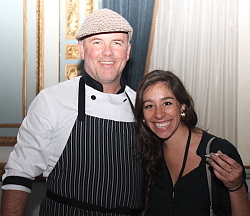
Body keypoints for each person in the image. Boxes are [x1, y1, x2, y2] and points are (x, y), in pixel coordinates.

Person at [1, 9, 143, 216]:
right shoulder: (52, 100)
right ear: (82, 50)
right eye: (97, 42)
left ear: (128, 52)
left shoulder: (142, 105)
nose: (107, 52)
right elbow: (19, 174)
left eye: (117, 43)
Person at [134, 70, 250, 215]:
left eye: (167, 103)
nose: (158, 114)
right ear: (142, 115)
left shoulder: (217, 150)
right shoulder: (147, 154)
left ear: (182, 106)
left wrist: (236, 186)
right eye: (149, 106)